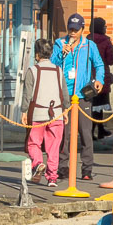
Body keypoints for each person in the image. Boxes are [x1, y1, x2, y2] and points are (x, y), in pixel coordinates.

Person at [54, 13, 104, 181]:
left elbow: (99, 64)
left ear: (82, 29)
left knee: (85, 132)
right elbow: (52, 64)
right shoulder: (59, 43)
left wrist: (99, 79)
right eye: (70, 29)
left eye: (76, 29)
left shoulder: (90, 46)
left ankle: (87, 168)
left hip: (83, 95)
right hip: (64, 95)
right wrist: (62, 53)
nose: (73, 33)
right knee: (64, 134)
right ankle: (63, 167)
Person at [20, 39, 68, 187]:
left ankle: (38, 163)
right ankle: (52, 177)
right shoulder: (58, 70)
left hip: (38, 114)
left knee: (33, 143)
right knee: (54, 146)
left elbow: (27, 94)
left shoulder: (32, 70)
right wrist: (66, 110)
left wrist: (23, 111)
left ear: (37, 54)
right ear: (51, 53)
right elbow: (65, 94)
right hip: (57, 113)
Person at [88, 17, 113, 139]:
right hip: (101, 76)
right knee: (99, 106)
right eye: (104, 26)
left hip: (88, 76)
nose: (105, 28)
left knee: (91, 105)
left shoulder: (87, 40)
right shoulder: (106, 41)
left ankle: (97, 129)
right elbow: (111, 60)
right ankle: (96, 130)